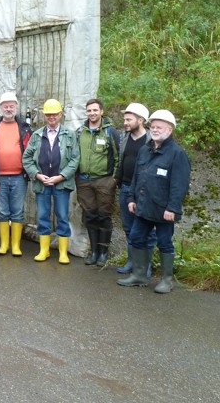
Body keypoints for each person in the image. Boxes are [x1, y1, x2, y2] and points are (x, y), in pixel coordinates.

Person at [117, 110, 190, 293]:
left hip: (164, 210)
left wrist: (172, 208)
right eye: (153, 126)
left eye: (160, 127)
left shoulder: (177, 154)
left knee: (164, 242)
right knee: (136, 237)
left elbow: (179, 185)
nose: (155, 130)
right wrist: (132, 198)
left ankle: (166, 280)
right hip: (143, 206)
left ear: (170, 130)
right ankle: (139, 275)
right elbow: (137, 177)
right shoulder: (145, 149)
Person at [22, 99, 80, 264]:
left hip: (61, 184)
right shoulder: (37, 134)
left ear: (60, 115)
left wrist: (61, 176)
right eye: (48, 114)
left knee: (62, 216)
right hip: (42, 183)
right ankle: (44, 250)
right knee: (43, 216)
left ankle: (63, 253)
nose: (51, 117)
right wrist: (37, 175)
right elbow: (26, 158)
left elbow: (75, 159)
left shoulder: (69, 135)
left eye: (54, 114)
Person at [76, 99, 120, 266]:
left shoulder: (110, 132)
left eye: (95, 110)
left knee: (104, 216)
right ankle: (93, 252)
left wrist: (114, 180)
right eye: (89, 111)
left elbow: (118, 157)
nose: (92, 113)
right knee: (90, 215)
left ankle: (103, 253)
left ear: (101, 111)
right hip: (84, 182)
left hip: (104, 181)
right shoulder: (80, 132)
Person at [0, 92, 32, 257]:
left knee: (17, 211)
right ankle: (4, 244)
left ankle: (15, 245)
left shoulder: (24, 127)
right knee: (2, 211)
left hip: (19, 177)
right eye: (5, 106)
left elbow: (31, 150)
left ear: (16, 107)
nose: (8, 108)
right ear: (0, 107)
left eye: (11, 105)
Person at [114, 103, 154, 274]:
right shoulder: (124, 138)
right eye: (125, 119)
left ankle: (146, 266)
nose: (125, 122)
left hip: (145, 191)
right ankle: (132, 262)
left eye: (129, 119)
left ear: (141, 120)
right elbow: (121, 161)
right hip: (125, 187)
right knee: (129, 228)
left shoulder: (151, 141)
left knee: (148, 231)